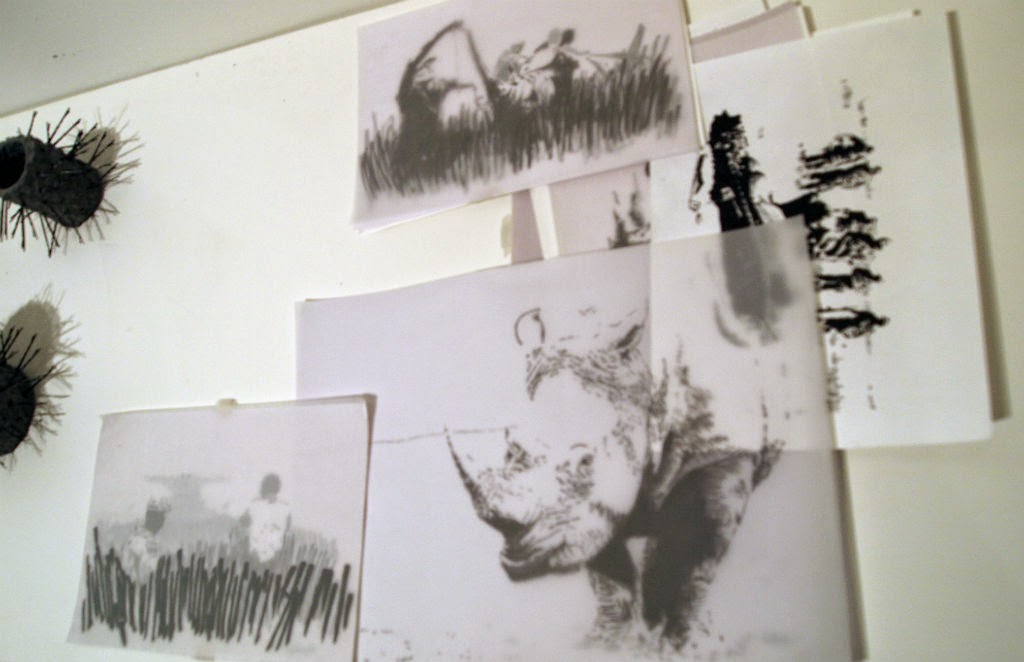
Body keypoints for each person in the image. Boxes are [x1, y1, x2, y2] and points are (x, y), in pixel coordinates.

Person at [239, 473, 291, 566]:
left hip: (257, 553)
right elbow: (287, 528)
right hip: (272, 553)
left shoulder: (255, 505)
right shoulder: (284, 508)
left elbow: (243, 522)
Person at [121, 498, 170, 581]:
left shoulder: (133, 538)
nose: (162, 522)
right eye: (161, 517)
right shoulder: (149, 542)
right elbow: (151, 569)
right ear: (151, 518)